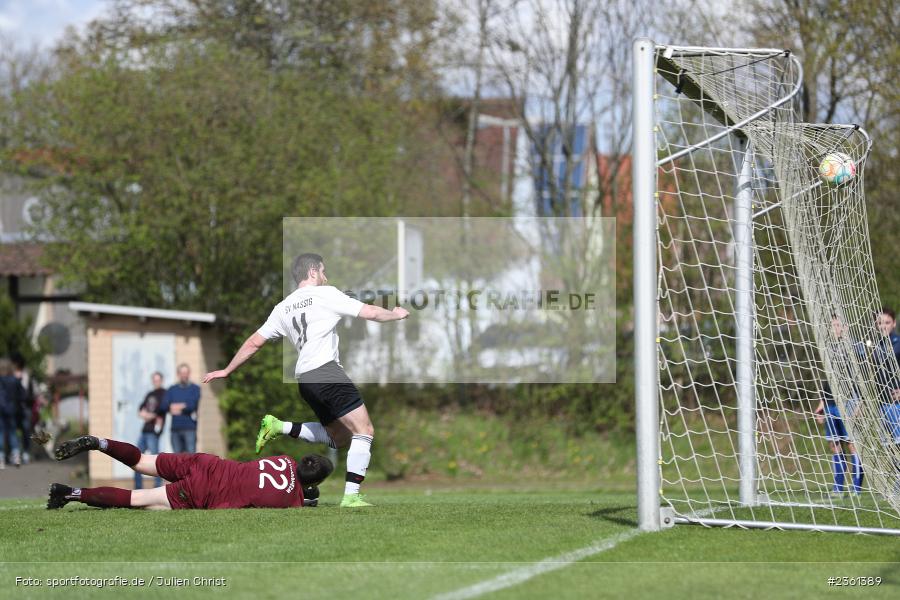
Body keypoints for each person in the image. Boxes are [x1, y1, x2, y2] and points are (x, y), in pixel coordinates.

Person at [203, 253, 409, 508]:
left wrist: (227, 370)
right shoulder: (326, 294)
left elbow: (254, 342)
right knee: (364, 430)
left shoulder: (283, 307)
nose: (326, 276)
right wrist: (395, 314)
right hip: (327, 372)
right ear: (312, 271)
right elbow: (369, 312)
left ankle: (279, 427)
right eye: (323, 271)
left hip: (305, 379)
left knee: (340, 437)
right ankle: (352, 496)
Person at [47, 435, 332, 510]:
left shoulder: (283, 458)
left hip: (206, 463)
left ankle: (100, 443)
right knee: (138, 499)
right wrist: (308, 497)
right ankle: (68, 493)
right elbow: (298, 495)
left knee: (142, 460)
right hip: (205, 490)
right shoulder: (289, 500)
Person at [813, 316, 863, 494]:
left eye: (838, 325)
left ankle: (856, 487)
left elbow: (861, 379)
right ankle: (838, 486)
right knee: (834, 443)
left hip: (849, 401)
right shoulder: (827, 349)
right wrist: (821, 405)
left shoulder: (854, 349)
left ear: (846, 327)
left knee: (851, 443)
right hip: (830, 403)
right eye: (832, 325)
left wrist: (859, 404)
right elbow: (826, 380)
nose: (835, 328)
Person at [872, 307, 900, 447]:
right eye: (880, 323)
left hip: (896, 404)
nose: (883, 326)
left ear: (894, 323)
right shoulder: (876, 346)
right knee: (889, 448)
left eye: (887, 322)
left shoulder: (898, 344)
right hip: (882, 403)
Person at [135, 371, 166, 489]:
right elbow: (140, 409)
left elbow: (161, 410)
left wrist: (148, 415)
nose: (156, 382)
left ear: (161, 380)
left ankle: (157, 487)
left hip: (154, 432)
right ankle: (138, 487)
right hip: (144, 431)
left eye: (158, 380)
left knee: (155, 461)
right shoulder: (150, 394)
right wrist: (147, 415)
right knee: (135, 458)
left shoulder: (164, 394)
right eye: (154, 380)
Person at [159, 364, 200, 453]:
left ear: (189, 374)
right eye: (182, 373)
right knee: (177, 460)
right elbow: (163, 406)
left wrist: (174, 406)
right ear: (178, 374)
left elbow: (192, 406)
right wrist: (182, 406)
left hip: (190, 428)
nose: (184, 375)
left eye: (186, 373)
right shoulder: (172, 389)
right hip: (175, 429)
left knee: (191, 457)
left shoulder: (195, 388)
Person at [0, 358, 25, 469]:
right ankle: (16, 456)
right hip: (12, 410)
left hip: (1, 409)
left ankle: (1, 458)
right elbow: (22, 395)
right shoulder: (15, 380)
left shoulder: (0, 380)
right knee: (12, 432)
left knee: (0, 433)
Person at [11, 354, 35, 465]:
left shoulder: (26, 376)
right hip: (14, 407)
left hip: (25, 407)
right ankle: (16, 453)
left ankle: (25, 452)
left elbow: (31, 392)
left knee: (25, 430)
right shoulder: (11, 375)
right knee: (14, 431)